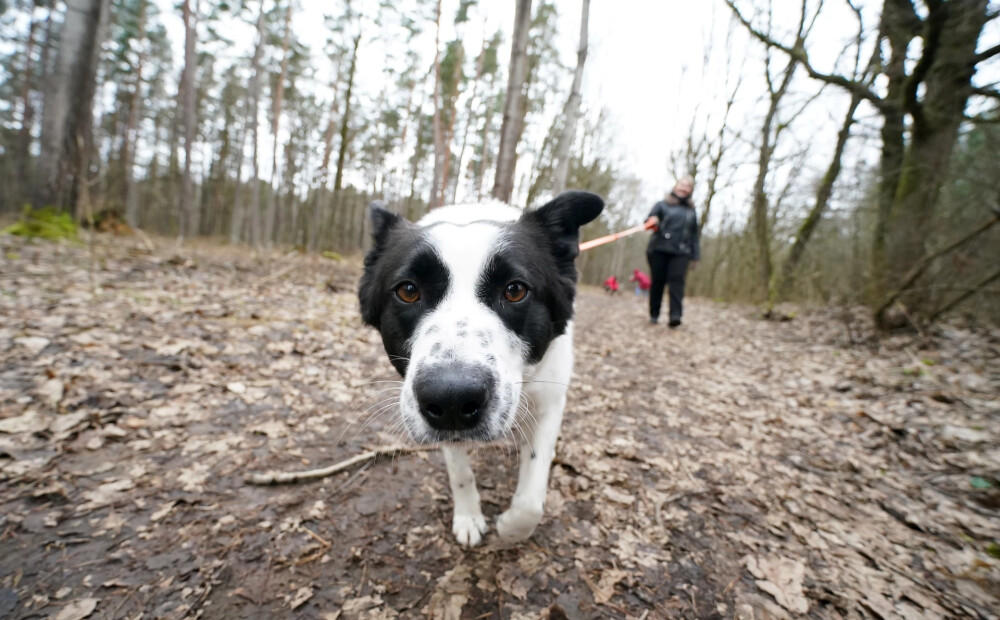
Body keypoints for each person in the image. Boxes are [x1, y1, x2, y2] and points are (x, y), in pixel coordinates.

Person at [643, 176, 699, 327]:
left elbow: (694, 234)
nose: (684, 188)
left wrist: (695, 255)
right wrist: (653, 221)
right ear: (676, 186)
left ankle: (675, 316)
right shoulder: (662, 205)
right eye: (682, 184)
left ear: (691, 190)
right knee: (658, 282)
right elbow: (648, 221)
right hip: (659, 249)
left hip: (681, 252)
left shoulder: (691, 211)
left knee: (677, 282)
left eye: (688, 186)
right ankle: (654, 314)